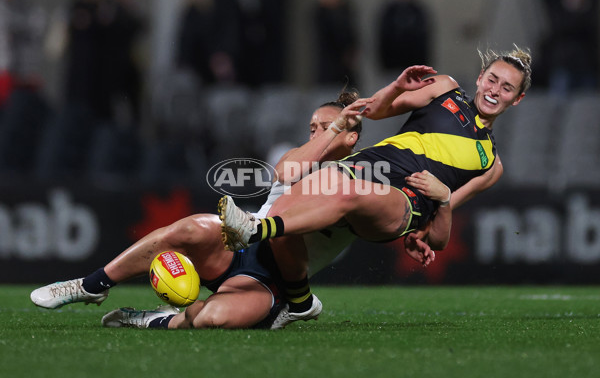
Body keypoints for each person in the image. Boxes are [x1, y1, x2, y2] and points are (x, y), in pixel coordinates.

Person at [31, 91, 438, 330]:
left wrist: (423, 223)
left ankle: (157, 318)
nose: (318, 133)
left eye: (330, 127)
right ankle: (90, 285)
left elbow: (387, 216)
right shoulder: (297, 156)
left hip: (275, 279)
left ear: (352, 137)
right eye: (313, 127)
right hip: (239, 246)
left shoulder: (361, 177)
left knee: (212, 320)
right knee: (189, 228)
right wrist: (328, 132)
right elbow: (287, 171)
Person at [218, 47, 533, 324]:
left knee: (349, 194)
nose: (495, 90)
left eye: (507, 88)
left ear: (517, 99)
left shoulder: (491, 165)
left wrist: (440, 204)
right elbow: (374, 111)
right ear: (480, 77)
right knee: (288, 205)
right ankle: (293, 301)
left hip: (408, 200)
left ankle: (255, 230)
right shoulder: (445, 88)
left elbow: (438, 235)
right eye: (492, 79)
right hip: (373, 165)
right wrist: (396, 86)